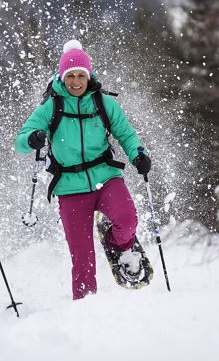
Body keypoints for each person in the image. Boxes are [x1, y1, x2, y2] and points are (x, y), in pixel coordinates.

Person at [15, 40, 151, 300]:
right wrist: (32, 138)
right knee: (82, 258)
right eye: (70, 76)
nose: (76, 82)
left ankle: (118, 244)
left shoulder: (104, 103)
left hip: (106, 176)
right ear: (62, 77)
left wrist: (138, 155)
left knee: (127, 220)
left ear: (89, 77)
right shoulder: (51, 106)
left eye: (81, 76)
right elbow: (20, 141)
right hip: (69, 186)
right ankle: (85, 309)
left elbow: (126, 134)